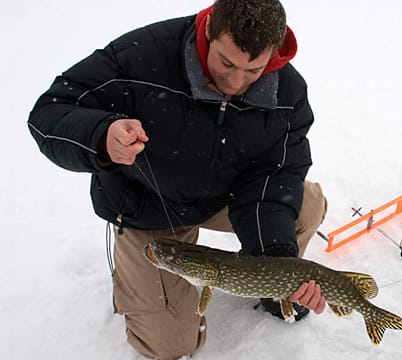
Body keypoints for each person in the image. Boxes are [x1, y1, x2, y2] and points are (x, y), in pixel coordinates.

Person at [28, 0, 328, 358]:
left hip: (227, 197)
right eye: (226, 62)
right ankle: (134, 277)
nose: (235, 81)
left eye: (253, 71)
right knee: (170, 346)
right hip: (151, 204)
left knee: (306, 205)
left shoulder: (287, 93)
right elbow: (49, 112)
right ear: (208, 28)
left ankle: (267, 289)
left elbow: (275, 177)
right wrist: (100, 137)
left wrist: (277, 264)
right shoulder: (140, 56)